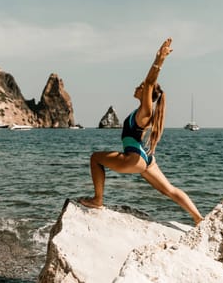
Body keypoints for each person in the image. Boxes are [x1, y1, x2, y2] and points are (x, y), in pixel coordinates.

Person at [80, 38, 203, 225]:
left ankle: (98, 200)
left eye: (141, 87)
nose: (137, 88)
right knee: (169, 189)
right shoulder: (140, 112)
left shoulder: (146, 111)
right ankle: (198, 218)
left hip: (134, 157)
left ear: (146, 92)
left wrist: (159, 59)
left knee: (95, 158)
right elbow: (149, 84)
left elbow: (150, 81)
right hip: (146, 158)